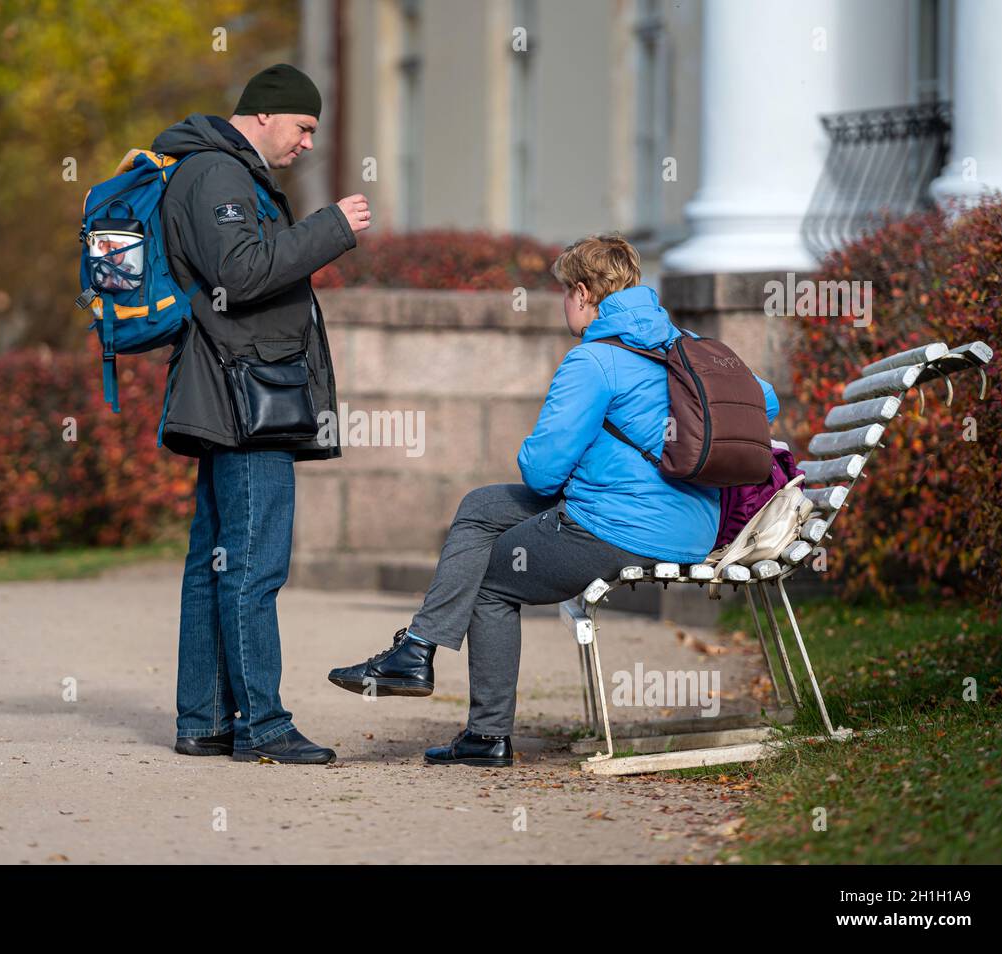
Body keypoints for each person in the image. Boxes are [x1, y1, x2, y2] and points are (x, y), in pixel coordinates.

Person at [327, 234, 779, 767]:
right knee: (480, 506)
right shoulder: (689, 345)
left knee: (489, 580)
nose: (565, 303)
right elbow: (763, 399)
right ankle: (418, 651)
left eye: (566, 292)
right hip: (693, 527)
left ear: (584, 293)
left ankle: (484, 734)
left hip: (618, 529)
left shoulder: (594, 361)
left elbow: (541, 474)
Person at [155, 64, 372, 764]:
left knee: (216, 561)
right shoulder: (219, 174)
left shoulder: (217, 169)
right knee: (253, 563)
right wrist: (331, 228)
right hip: (246, 400)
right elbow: (241, 272)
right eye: (303, 127)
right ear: (265, 115)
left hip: (230, 390)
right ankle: (263, 726)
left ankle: (207, 720)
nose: (307, 143)